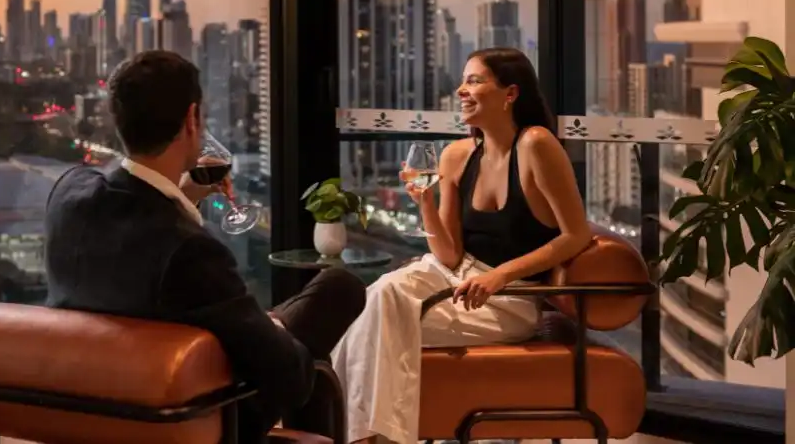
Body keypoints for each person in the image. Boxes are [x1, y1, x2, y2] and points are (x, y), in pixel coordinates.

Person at [45, 50, 366, 443]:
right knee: (337, 291)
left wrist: (183, 198)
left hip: (94, 404)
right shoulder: (188, 251)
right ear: (192, 118)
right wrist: (278, 337)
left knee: (310, 307)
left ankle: (269, 330)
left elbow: (136, 239)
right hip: (192, 413)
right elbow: (290, 378)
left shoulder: (69, 194)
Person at [331, 47, 595, 444]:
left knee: (380, 307)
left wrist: (502, 276)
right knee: (371, 304)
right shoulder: (457, 155)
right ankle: (361, 436)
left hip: (510, 300)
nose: (461, 90)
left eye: (474, 81)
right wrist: (424, 201)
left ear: (510, 94)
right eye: (463, 80)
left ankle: (351, 434)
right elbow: (450, 254)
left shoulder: (536, 145)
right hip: (452, 278)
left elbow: (576, 234)